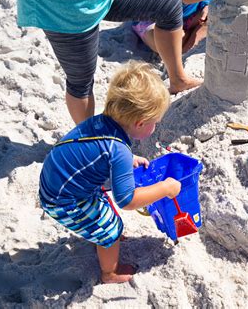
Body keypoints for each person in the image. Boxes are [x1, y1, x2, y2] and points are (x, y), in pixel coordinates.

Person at [38, 61, 182, 284]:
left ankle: (103, 236)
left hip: (59, 179)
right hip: (63, 199)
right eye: (154, 123)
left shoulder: (101, 122)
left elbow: (98, 151)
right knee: (111, 230)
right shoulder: (118, 150)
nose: (155, 127)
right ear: (140, 122)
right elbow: (127, 200)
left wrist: (130, 159)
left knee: (104, 209)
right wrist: (165, 188)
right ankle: (110, 273)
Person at [17, 0, 202, 125]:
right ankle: (91, 141)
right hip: (65, 8)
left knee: (168, 5)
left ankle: (178, 79)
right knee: (81, 81)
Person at [132, 0, 219, 54]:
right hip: (153, 18)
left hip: (192, 12)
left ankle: (186, 50)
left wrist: (207, 5)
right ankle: (183, 45)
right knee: (168, 43)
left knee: (213, 15)